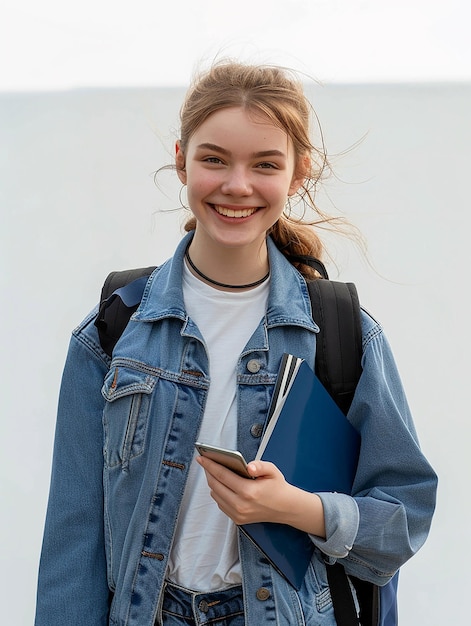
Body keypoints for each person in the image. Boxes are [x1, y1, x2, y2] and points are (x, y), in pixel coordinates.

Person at [35, 61, 437, 626]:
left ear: (299, 173)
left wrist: (298, 510)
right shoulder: (113, 332)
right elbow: (73, 542)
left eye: (265, 164)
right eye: (214, 159)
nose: (237, 185)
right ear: (181, 160)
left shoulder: (344, 334)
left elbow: (405, 518)